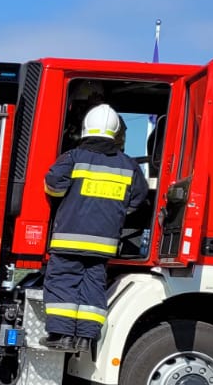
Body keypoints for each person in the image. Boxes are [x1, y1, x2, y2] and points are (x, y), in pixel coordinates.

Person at [40, 104, 149, 350]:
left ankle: (61, 336)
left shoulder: (73, 157)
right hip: (103, 244)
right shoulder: (128, 165)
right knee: (93, 287)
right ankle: (86, 338)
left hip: (68, 240)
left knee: (63, 283)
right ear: (115, 132)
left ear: (86, 128)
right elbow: (137, 200)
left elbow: (54, 186)